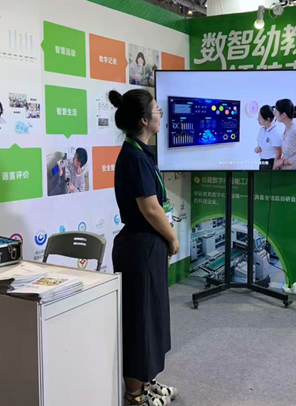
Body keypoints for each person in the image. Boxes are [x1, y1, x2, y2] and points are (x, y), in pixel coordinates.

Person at [109, 89, 179, 406]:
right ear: (143, 120)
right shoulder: (135, 157)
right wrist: (173, 238)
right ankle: (135, 394)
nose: (160, 114)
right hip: (140, 247)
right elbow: (150, 208)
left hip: (145, 245)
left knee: (150, 317)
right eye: (156, 109)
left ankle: (146, 382)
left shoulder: (139, 152)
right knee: (140, 320)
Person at [273, 99, 296, 170]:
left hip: (294, 173)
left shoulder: (295, 131)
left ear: (283, 115)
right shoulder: (287, 129)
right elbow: (288, 154)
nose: (274, 113)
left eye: (276, 111)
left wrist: (282, 162)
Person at [254, 105, 283, 170]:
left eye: (260, 117)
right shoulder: (261, 130)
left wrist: (274, 169)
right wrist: (257, 149)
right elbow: (259, 146)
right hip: (263, 162)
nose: (258, 119)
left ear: (268, 119)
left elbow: (278, 155)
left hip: (272, 163)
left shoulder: (275, 132)